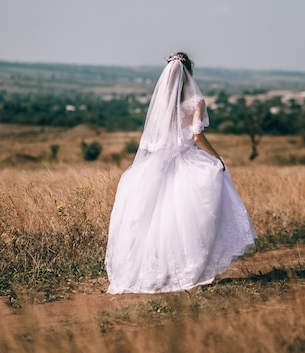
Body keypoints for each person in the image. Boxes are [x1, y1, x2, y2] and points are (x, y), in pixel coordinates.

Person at [105, 52, 256, 294]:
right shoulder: (196, 102)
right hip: (186, 161)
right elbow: (197, 136)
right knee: (188, 219)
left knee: (154, 219)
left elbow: (153, 139)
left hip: (160, 164)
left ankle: (156, 270)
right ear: (189, 74)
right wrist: (216, 157)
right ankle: (188, 267)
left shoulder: (163, 104)